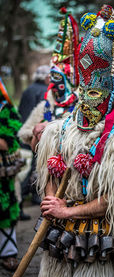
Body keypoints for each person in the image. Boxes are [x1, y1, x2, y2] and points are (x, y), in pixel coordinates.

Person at [36, 5, 114, 277]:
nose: (88, 100)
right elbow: (52, 171)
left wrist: (68, 210)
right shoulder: (59, 131)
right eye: (84, 92)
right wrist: (53, 201)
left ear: (109, 91)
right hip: (60, 239)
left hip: (102, 242)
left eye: (95, 92)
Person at [18, 7, 79, 152]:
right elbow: (25, 132)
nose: (57, 85)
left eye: (62, 79)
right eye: (53, 79)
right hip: (45, 164)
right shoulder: (45, 106)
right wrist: (38, 132)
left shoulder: (81, 106)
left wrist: (51, 128)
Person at [18, 65, 50, 208]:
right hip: (35, 135)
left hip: (25, 130)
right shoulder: (44, 92)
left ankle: (24, 196)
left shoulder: (28, 89)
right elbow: (42, 116)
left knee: (32, 166)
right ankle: (27, 195)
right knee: (36, 166)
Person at [0, 77, 23, 271]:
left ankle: (8, 254)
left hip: (3, 175)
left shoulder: (6, 109)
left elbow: (7, 142)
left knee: (6, 211)